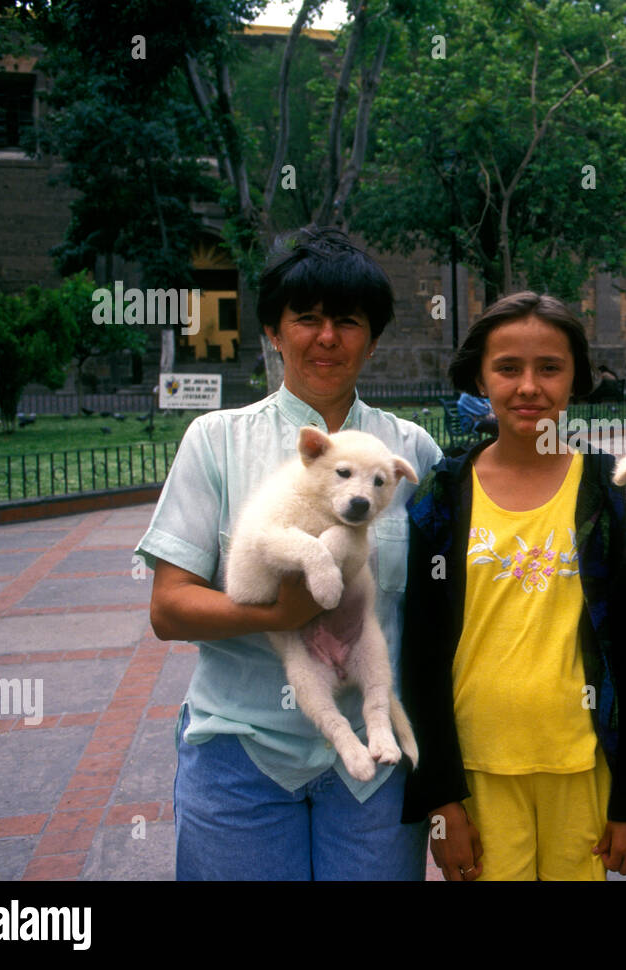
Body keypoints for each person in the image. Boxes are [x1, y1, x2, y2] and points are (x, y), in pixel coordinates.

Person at [138, 226, 443, 880]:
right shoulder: (216, 442)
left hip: (376, 765)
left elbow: (451, 602)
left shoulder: (410, 451)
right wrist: (276, 614)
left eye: (348, 321)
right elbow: (169, 608)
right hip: (240, 758)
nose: (326, 337)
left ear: (374, 337)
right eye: (305, 319)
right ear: (274, 333)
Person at [400, 291, 626, 881]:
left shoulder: (613, 494)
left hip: (584, 763)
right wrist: (441, 800)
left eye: (550, 368)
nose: (528, 387)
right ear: (479, 376)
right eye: (508, 368)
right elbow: (417, 656)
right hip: (477, 772)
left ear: (577, 379)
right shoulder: (442, 497)